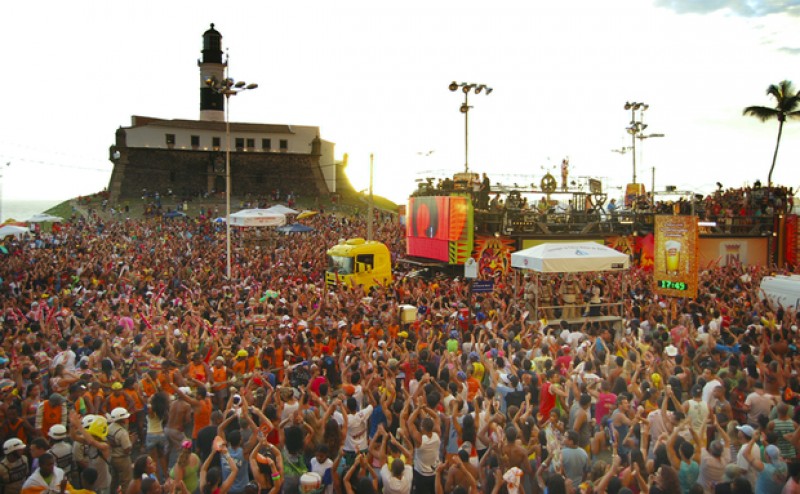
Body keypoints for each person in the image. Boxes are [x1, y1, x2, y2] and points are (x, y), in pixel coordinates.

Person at [106, 407, 133, 494]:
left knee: (114, 479)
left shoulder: (109, 427)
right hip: (122, 459)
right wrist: (132, 441)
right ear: (122, 419)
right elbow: (127, 450)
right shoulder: (122, 432)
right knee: (126, 481)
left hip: (112, 457)